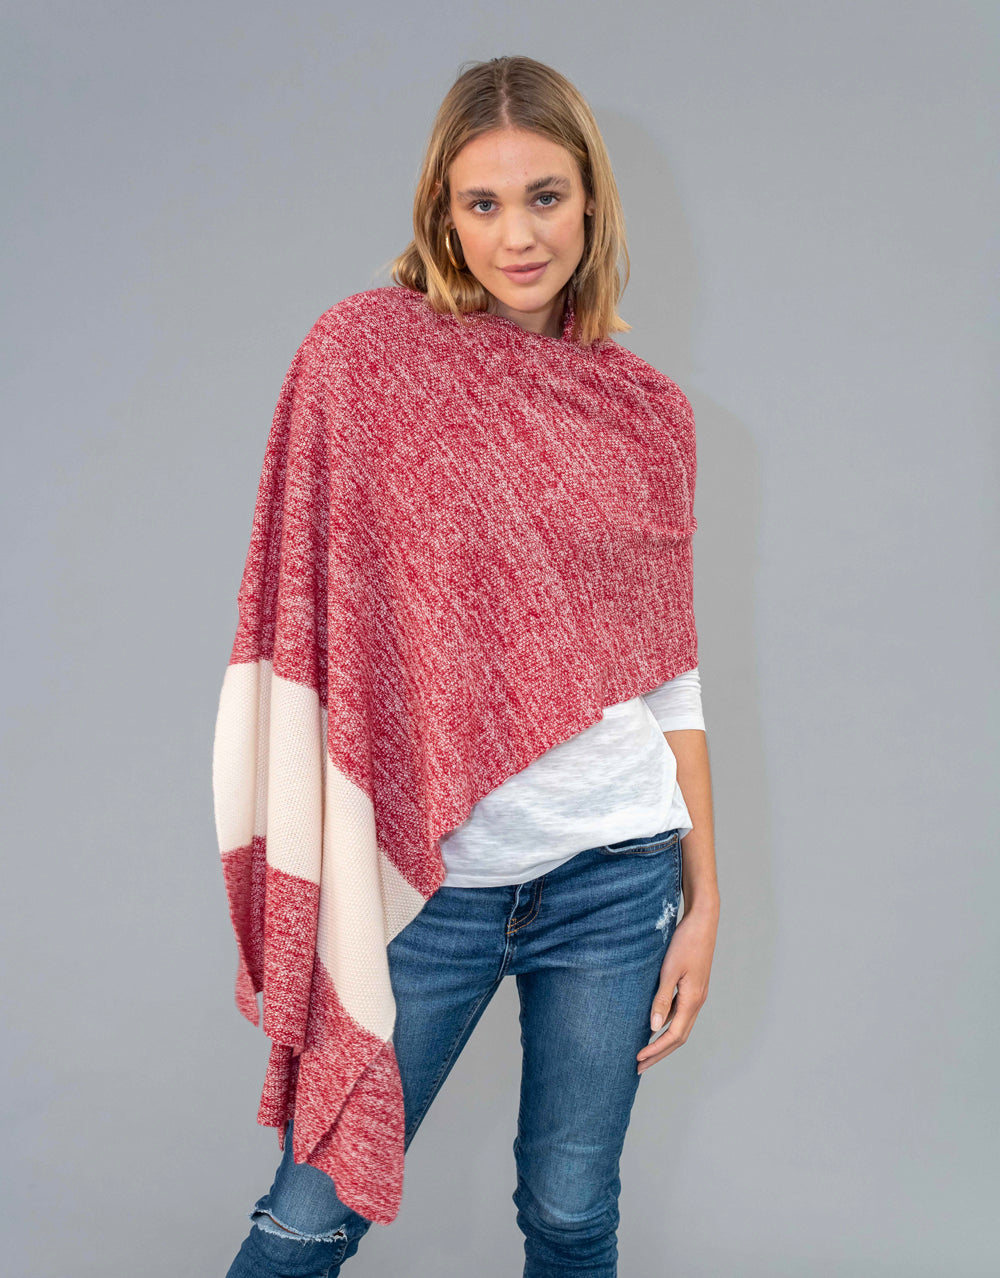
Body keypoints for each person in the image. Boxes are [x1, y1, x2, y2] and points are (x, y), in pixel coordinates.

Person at [217, 54, 721, 1278]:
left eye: (545, 197)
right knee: (305, 1221)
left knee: (570, 1211)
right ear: (441, 214)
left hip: (616, 875)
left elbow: (667, 676)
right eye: (481, 204)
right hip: (428, 878)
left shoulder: (648, 415)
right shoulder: (364, 360)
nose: (517, 236)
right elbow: (306, 597)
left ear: (591, 200)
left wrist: (705, 899)